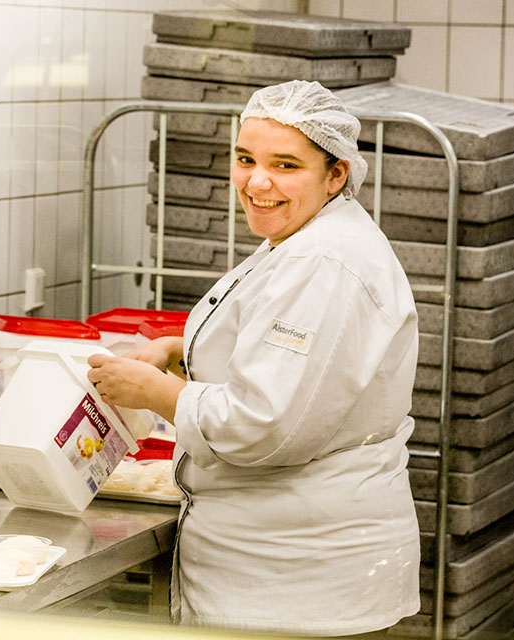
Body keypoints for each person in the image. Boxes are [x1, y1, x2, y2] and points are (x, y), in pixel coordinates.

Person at [86, 80, 421, 637]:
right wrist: (177, 349)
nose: (258, 182)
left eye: (286, 165)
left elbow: (263, 424)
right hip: (279, 567)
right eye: (246, 159)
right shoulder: (303, 238)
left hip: (298, 581)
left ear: (336, 174)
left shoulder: (323, 262)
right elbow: (295, 363)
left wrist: (153, 391)